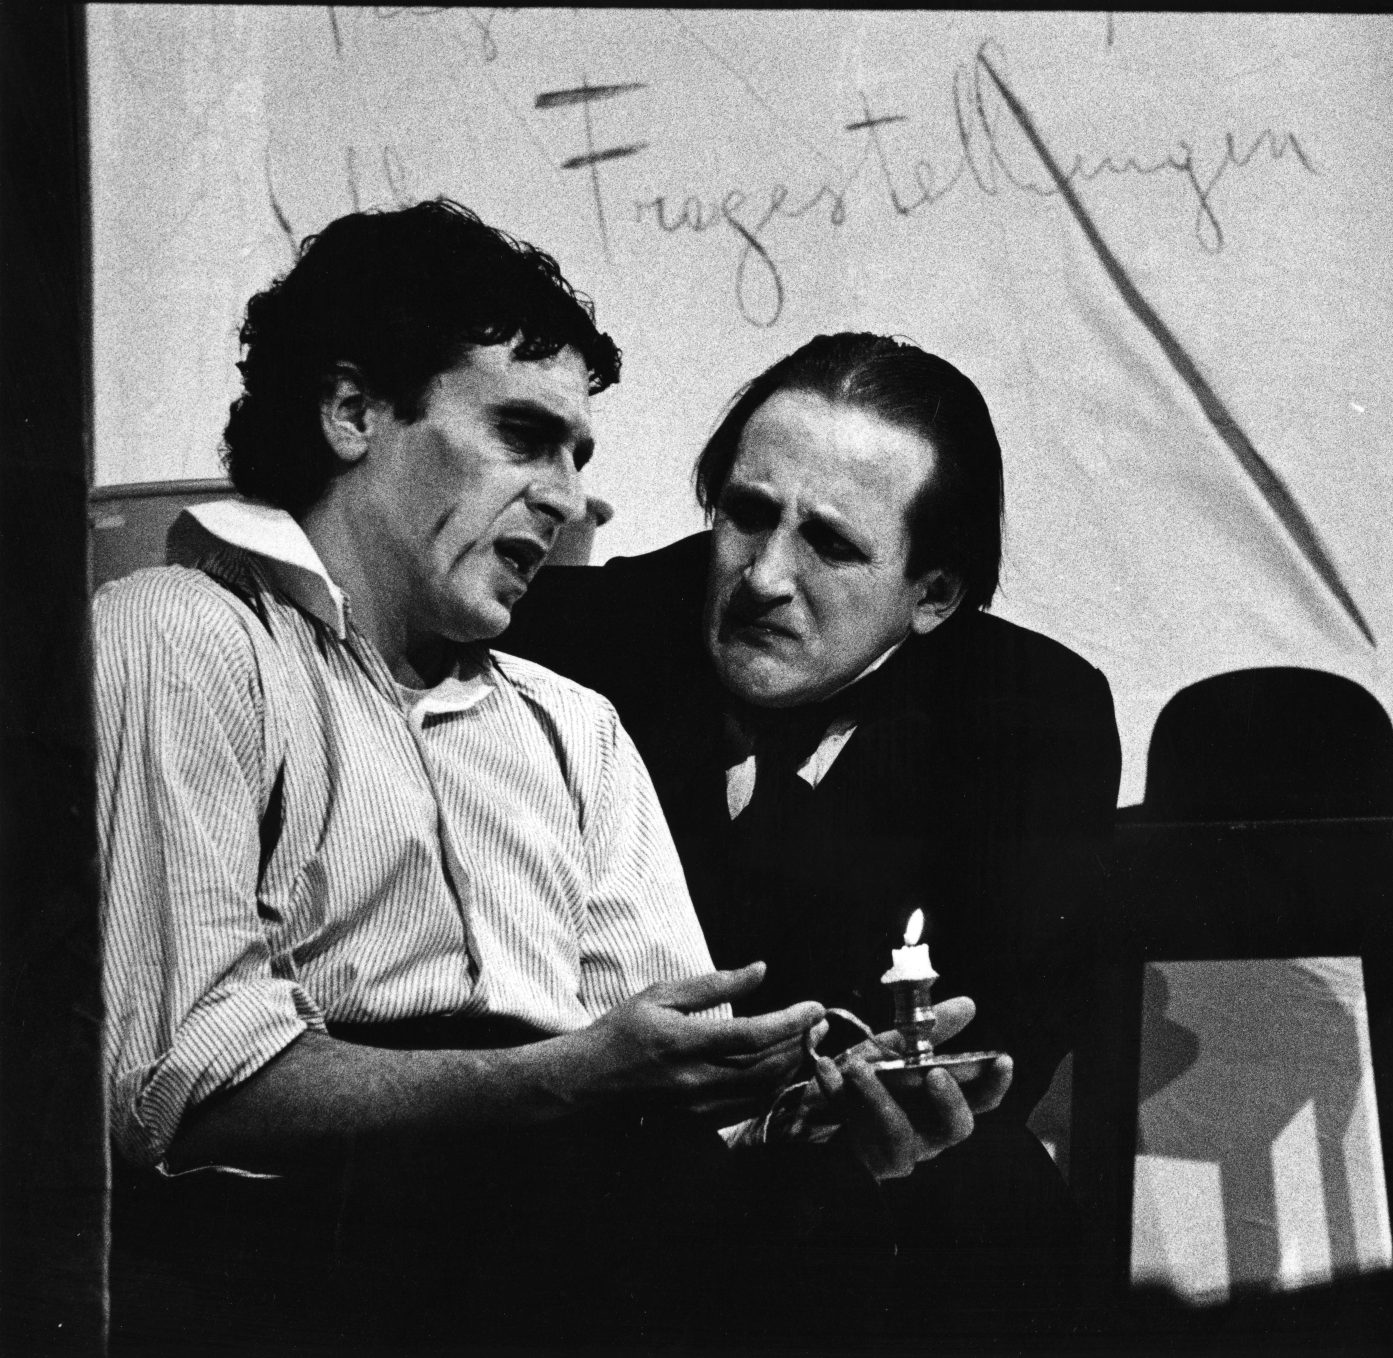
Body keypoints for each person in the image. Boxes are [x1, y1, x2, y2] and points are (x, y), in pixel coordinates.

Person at [94, 202, 1008, 1350]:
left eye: (578, 456)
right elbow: (180, 1082)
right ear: (352, 411)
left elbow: (688, 1089)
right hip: (303, 1270)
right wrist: (571, 1077)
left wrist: (823, 1113)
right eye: (524, 436)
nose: (569, 497)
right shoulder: (183, 636)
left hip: (570, 1253)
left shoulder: (570, 725)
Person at [500, 331, 1123, 1331]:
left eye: (831, 545)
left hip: (860, 1176)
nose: (763, 578)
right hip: (603, 1155)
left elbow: (1008, 1021)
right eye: (748, 515)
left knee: (992, 1196)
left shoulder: (1030, 713)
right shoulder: (580, 635)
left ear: (934, 594)